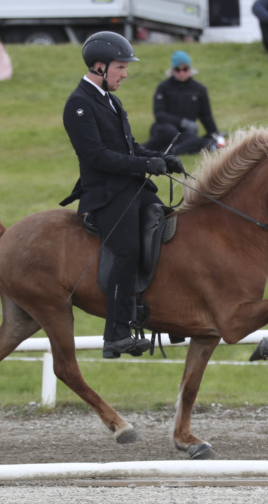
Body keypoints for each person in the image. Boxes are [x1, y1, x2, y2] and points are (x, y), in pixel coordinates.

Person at [60, 32, 185, 359]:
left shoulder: (111, 101)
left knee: (171, 230)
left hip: (130, 187)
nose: (125, 74)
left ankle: (170, 315)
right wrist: (146, 163)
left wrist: (160, 157)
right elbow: (97, 157)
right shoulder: (79, 105)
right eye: (120, 67)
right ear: (99, 67)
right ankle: (116, 334)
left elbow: (128, 148)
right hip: (105, 194)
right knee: (127, 251)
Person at [143, 50, 222, 155]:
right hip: (164, 128)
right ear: (172, 70)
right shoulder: (163, 87)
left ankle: (173, 150)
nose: (181, 72)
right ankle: (143, 149)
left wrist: (214, 133)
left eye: (185, 69)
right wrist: (181, 122)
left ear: (190, 69)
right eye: (177, 69)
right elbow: (159, 114)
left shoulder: (199, 89)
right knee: (170, 133)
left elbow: (206, 116)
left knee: (196, 139)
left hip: (186, 132)